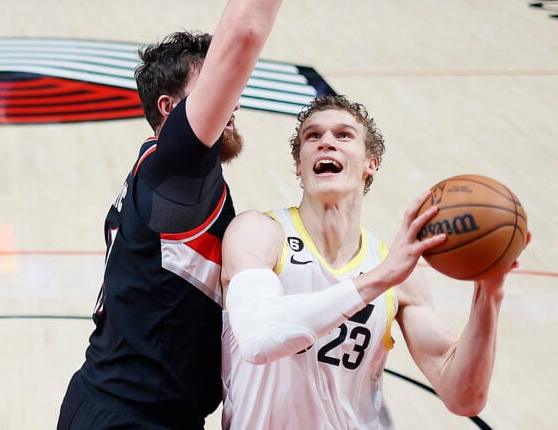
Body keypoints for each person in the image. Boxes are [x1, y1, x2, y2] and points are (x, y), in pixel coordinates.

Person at [56, 0, 326, 429]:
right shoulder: (175, 165)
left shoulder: (161, 186)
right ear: (172, 110)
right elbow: (245, 35)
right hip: (131, 418)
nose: (234, 99)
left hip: (137, 408)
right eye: (215, 89)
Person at [221, 94, 527, 428]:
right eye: (313, 136)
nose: (326, 143)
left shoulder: (395, 273)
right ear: (299, 163)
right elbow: (259, 339)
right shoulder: (260, 233)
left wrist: (489, 292)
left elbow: (463, 396)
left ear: (371, 163)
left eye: (343, 135)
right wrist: (378, 279)